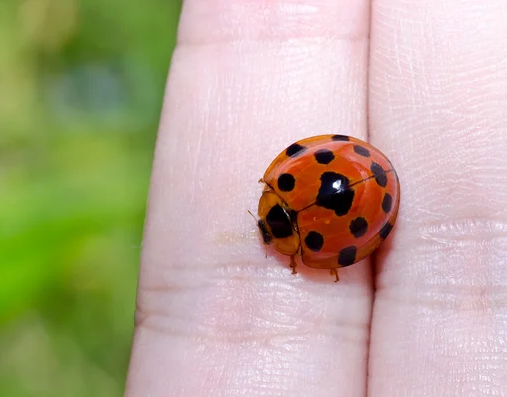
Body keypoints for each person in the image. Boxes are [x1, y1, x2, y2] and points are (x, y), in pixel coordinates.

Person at [125, 1, 507, 395]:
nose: (267, 234)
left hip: (364, 173)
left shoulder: (302, 231)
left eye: (268, 229)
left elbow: (334, 234)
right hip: (360, 169)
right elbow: (306, 166)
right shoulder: (282, 186)